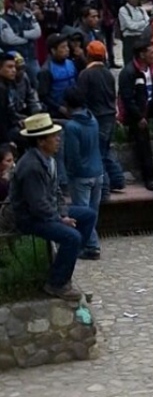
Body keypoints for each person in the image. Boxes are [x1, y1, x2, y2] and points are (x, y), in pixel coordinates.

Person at [10, 113, 97, 300]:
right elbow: (37, 205)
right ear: (41, 141)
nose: (58, 140)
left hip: (48, 211)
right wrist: (60, 219)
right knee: (72, 237)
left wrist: (63, 212)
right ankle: (56, 283)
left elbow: (56, 192)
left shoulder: (48, 160)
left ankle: (66, 263)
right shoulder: (32, 166)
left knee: (88, 215)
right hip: (30, 218)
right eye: (53, 137)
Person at [118, 41, 153, 192]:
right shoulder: (128, 73)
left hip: (149, 105)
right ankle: (149, 176)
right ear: (142, 54)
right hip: (134, 111)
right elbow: (127, 99)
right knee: (142, 139)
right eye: (152, 52)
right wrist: (138, 117)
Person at [61, 87, 103, 260]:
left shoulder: (72, 127)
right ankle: (90, 243)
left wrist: (69, 173)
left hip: (81, 176)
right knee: (93, 211)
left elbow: (72, 155)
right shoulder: (92, 119)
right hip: (98, 170)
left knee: (84, 213)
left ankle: (92, 246)